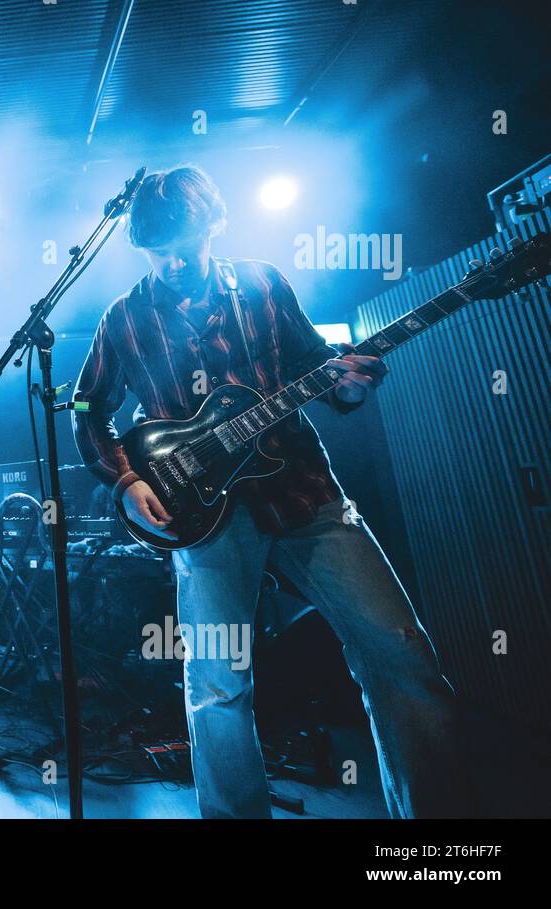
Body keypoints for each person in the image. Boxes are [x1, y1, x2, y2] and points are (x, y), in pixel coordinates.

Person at [72, 165, 462, 818]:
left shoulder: (262, 284)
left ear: (214, 226)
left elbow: (320, 367)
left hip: (306, 494)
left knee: (400, 653)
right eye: (155, 250)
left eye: (184, 244)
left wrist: (347, 384)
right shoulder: (125, 319)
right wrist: (129, 478)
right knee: (217, 689)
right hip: (206, 519)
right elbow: (87, 404)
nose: (170, 262)